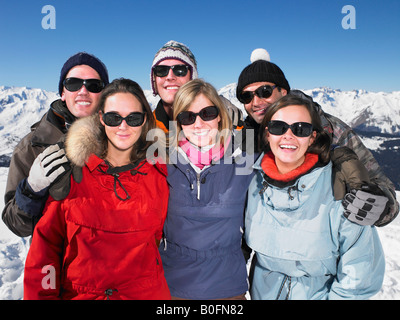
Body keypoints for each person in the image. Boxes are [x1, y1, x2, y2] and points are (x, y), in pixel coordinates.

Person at [23, 78, 170, 300]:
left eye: (134, 118)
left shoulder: (160, 174)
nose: (123, 126)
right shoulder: (73, 173)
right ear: (101, 118)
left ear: (145, 121)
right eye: (113, 118)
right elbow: (45, 253)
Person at [236, 48, 398, 227]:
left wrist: (379, 205)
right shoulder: (245, 137)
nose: (256, 102)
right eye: (246, 96)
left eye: (264, 91)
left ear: (283, 91)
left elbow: (383, 188)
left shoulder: (327, 128)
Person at [245, 95, 385, 300]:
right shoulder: (250, 183)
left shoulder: (339, 187)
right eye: (278, 127)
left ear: (312, 137)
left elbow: (359, 274)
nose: (288, 135)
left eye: (300, 129)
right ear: (267, 134)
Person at [159, 79, 255, 300]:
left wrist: (341, 159)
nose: (198, 124)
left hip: (228, 287)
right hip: (172, 285)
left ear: (220, 114)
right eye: (188, 117)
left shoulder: (245, 159)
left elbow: (291, 149)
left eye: (207, 113)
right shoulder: (163, 161)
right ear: (179, 122)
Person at [2, 52, 110, 237]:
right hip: (55, 261)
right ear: (63, 92)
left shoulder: (118, 136)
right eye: (73, 84)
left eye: (93, 85)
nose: (83, 91)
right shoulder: (33, 145)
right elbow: (16, 224)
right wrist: (31, 190)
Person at [151, 40, 243, 134]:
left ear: (192, 78)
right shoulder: (143, 127)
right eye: (161, 71)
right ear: (154, 80)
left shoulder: (221, 118)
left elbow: (249, 144)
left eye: (180, 70)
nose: (170, 77)